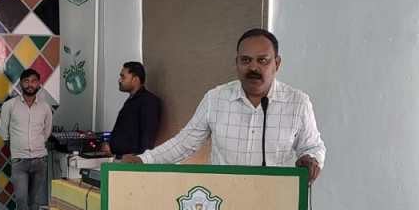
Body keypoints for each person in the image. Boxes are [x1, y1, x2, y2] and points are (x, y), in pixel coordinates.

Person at [123, 28, 325, 182]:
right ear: (237, 63)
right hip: (224, 202)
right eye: (246, 60)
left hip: (277, 203)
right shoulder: (216, 99)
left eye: (262, 60)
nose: (253, 67)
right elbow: (184, 143)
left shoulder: (298, 103)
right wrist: (144, 160)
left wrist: (311, 159)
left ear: (277, 64)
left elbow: (312, 146)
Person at [0, 68, 53, 210]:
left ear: (39, 84)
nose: (30, 85)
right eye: (26, 81)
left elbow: (47, 132)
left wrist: (37, 144)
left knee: (34, 201)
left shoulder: (45, 107)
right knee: (21, 199)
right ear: (21, 84)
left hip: (39, 160)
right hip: (19, 160)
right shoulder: (9, 106)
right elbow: (3, 132)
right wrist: (18, 147)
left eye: (34, 81)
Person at [107, 62, 161, 158]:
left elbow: (147, 136)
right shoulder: (131, 101)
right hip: (119, 159)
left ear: (135, 79)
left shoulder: (148, 101)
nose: (119, 80)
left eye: (123, 77)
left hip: (132, 162)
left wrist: (139, 159)